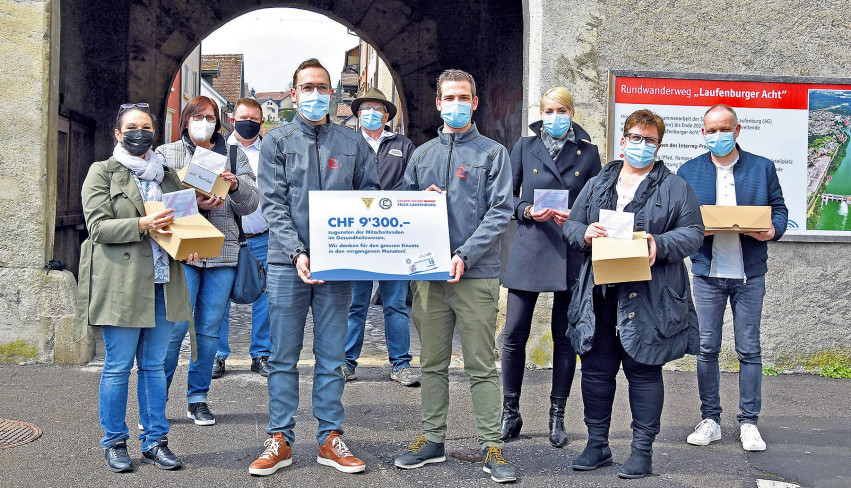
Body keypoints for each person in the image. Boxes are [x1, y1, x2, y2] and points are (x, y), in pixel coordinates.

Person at [249, 58, 379, 477]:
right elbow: (273, 202)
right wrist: (295, 251)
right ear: (293, 93)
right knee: (283, 355)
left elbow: (370, 195)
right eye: (307, 87)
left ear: (333, 93)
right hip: (289, 264)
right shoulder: (277, 141)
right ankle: (281, 439)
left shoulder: (352, 142)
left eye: (322, 87)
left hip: (338, 262)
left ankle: (329, 437)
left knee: (331, 355)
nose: (316, 94)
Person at [563, 109, 704, 479]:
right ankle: (597, 445)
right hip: (601, 293)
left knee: (643, 370)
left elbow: (694, 233)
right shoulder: (597, 183)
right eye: (636, 138)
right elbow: (573, 224)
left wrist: (659, 243)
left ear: (659, 146)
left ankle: (642, 450)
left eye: (650, 140)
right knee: (595, 372)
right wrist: (584, 232)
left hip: (650, 295)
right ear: (623, 141)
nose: (642, 145)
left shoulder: (675, 187)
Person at [394, 69, 516, 484]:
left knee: (481, 364)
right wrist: (415, 201)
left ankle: (490, 444)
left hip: (477, 274)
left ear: (475, 102)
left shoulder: (493, 154)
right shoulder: (422, 154)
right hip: (428, 275)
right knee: (431, 362)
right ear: (438, 103)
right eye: (449, 97)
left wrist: (465, 254)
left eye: (463, 97)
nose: (456, 104)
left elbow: (500, 211)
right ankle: (432, 439)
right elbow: (401, 210)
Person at [78, 103, 198, 472]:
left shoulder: (169, 177)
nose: (140, 133)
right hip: (123, 284)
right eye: (132, 127)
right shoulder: (102, 172)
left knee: (153, 365)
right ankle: (114, 442)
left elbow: (185, 223)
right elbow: (97, 228)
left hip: (164, 282)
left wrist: (191, 244)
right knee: (117, 367)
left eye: (146, 127)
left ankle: (156, 440)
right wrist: (142, 224)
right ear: (118, 133)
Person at [677, 104, 787, 452]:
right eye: (711, 130)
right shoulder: (689, 170)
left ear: (737, 131)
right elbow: (680, 217)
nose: (718, 136)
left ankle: (749, 422)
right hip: (708, 272)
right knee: (707, 348)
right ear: (703, 133)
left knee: (749, 348)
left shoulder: (761, 167)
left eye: (725, 129)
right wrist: (693, 231)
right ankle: (710, 419)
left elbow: (779, 209)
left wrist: (773, 230)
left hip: (748, 273)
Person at [501, 87, 601, 447]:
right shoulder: (525, 147)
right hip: (530, 245)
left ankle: (557, 415)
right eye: (548, 110)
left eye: (560, 110)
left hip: (570, 248)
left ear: (571, 113)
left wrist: (576, 218)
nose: (554, 116)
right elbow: (506, 196)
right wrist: (527, 210)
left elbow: (597, 200)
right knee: (513, 333)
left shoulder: (588, 153)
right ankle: (510, 411)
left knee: (564, 338)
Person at [157, 95, 259, 426]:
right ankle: (156, 400)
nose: (204, 122)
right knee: (172, 331)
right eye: (197, 116)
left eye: (210, 117)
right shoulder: (166, 154)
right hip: (181, 251)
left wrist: (233, 186)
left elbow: (251, 203)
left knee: (208, 330)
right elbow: (152, 200)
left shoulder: (232, 153)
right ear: (185, 120)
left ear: (218, 121)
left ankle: (197, 398)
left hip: (223, 251)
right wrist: (195, 203)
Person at [343, 87, 419, 386]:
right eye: (365, 108)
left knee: (396, 304)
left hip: (395, 235)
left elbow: (411, 182)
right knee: (354, 303)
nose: (371, 113)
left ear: (387, 114)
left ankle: (401, 364)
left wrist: (388, 202)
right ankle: (347, 363)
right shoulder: (347, 142)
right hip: (358, 235)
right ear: (357, 113)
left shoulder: (404, 144)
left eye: (377, 109)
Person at [213, 98, 272, 379]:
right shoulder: (216, 149)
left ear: (261, 122)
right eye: (243, 117)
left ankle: (261, 353)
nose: (249, 122)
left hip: (262, 235)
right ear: (232, 120)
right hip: (224, 236)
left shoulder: (273, 151)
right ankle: (217, 354)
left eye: (254, 118)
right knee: (218, 297)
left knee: (265, 296)